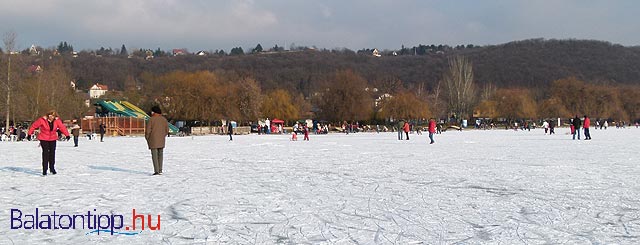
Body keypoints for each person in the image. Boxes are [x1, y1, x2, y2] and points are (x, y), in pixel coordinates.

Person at [27, 110, 70, 176]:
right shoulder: (42, 120)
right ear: (47, 115)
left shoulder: (57, 121)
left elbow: (62, 127)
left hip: (53, 138)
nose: (51, 117)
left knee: (52, 153)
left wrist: (67, 134)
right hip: (44, 138)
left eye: (53, 115)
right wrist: (29, 134)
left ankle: (52, 168)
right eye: (50, 115)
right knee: (45, 153)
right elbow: (33, 126)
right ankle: (45, 169)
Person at [145, 106, 169, 176]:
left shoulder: (151, 120)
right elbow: (167, 130)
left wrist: (147, 138)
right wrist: (163, 136)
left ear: (154, 112)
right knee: (160, 154)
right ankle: (160, 169)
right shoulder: (164, 119)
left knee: (154, 155)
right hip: (161, 139)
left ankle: (156, 171)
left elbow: (148, 131)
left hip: (153, 140)